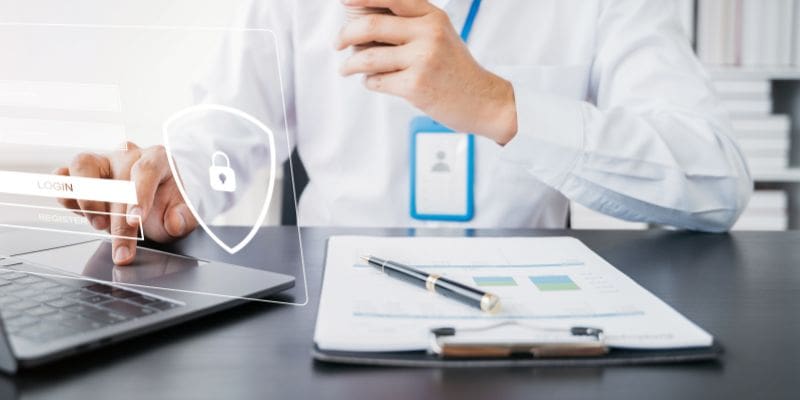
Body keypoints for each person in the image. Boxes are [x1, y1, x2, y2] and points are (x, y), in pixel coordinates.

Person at [56, 0, 753, 265]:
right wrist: (167, 177)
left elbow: (716, 179)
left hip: (533, 318)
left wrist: (500, 105)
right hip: (325, 324)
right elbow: (219, 142)